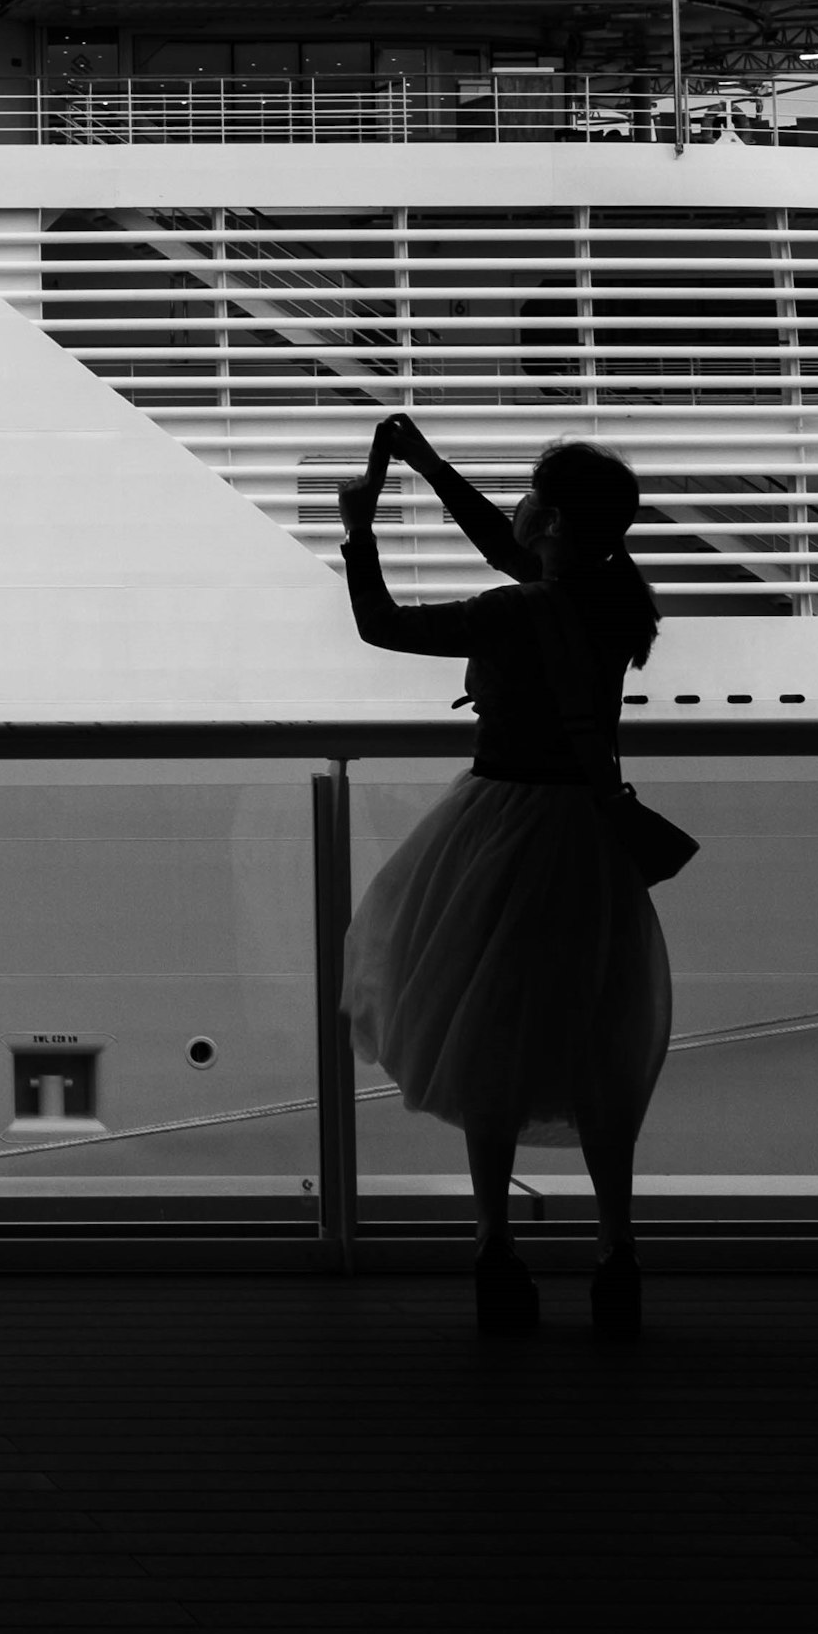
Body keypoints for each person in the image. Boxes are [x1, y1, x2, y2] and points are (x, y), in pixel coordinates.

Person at [335, 419, 673, 1338]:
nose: (516, 507)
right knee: (596, 1035)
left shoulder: (520, 609)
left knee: (489, 1033)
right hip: (587, 835)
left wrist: (360, 528)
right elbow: (510, 544)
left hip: (502, 827)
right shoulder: (612, 597)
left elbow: (383, 626)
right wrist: (429, 465)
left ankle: (495, 1248)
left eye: (529, 494)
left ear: (553, 522)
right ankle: (617, 1252)